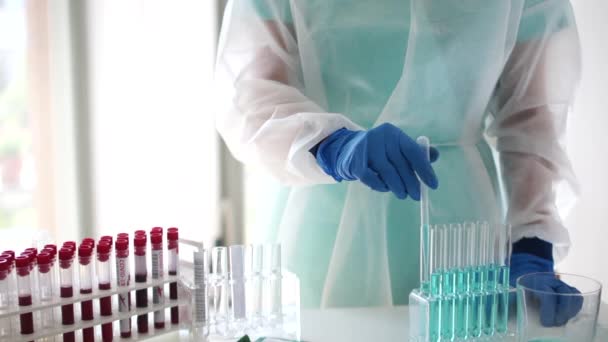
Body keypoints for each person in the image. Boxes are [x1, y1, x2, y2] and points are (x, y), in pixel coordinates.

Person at [215, 0, 582, 324]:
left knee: (456, 326)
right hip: (325, 208)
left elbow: (531, 121)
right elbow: (251, 92)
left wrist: (533, 242)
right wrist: (332, 144)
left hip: (457, 225)